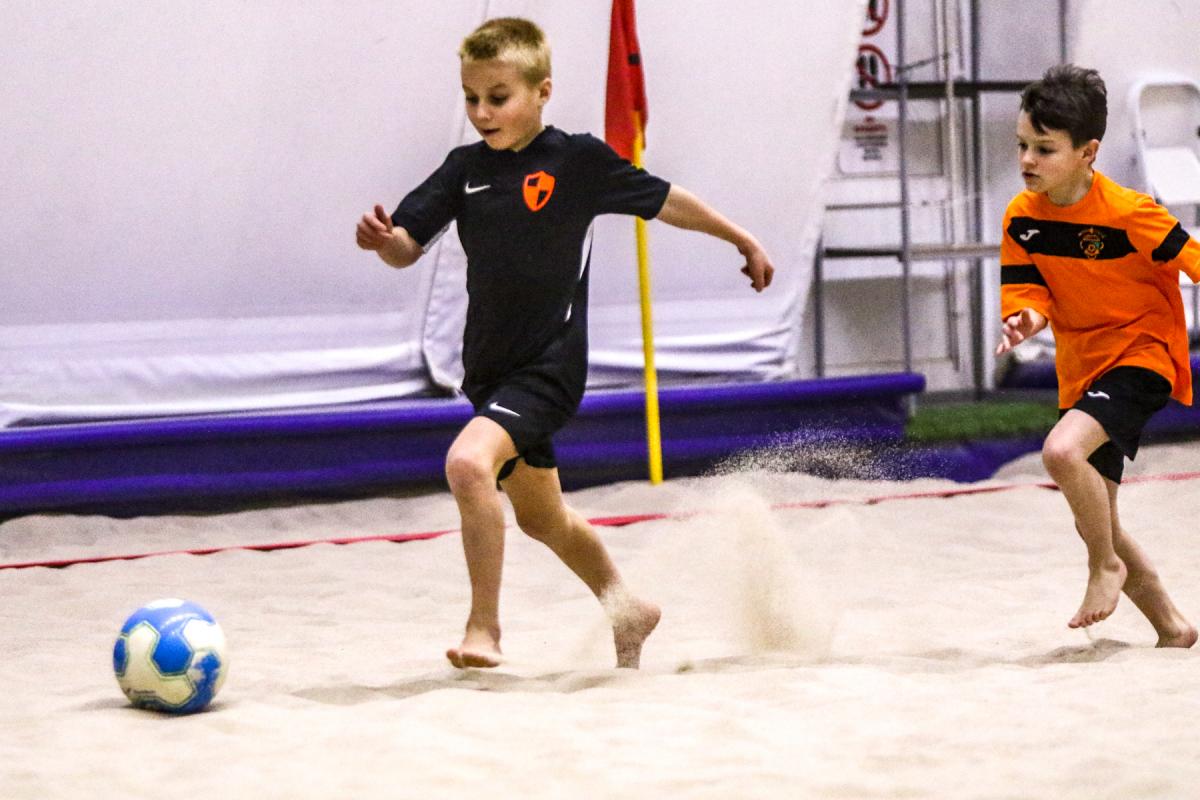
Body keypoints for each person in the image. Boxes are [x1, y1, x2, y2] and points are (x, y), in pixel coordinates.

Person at [356, 17, 775, 669]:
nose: (482, 112)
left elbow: (666, 200)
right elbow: (408, 246)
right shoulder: (464, 169)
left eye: (499, 97)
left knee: (468, 464)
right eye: (471, 98)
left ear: (542, 91)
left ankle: (484, 629)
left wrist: (741, 238)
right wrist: (386, 242)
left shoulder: (576, 161)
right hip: (489, 373)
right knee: (542, 519)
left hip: (548, 368)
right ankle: (628, 609)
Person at [996, 64, 1199, 646]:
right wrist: (1026, 320)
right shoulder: (1022, 218)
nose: (1028, 159)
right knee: (1099, 521)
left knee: (1061, 453)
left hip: (1143, 355)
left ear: (1088, 152)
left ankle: (1103, 567)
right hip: (1081, 370)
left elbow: (1195, 261)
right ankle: (1173, 628)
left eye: (1044, 149)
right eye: (1022, 145)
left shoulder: (1131, 213)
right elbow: (1031, 296)